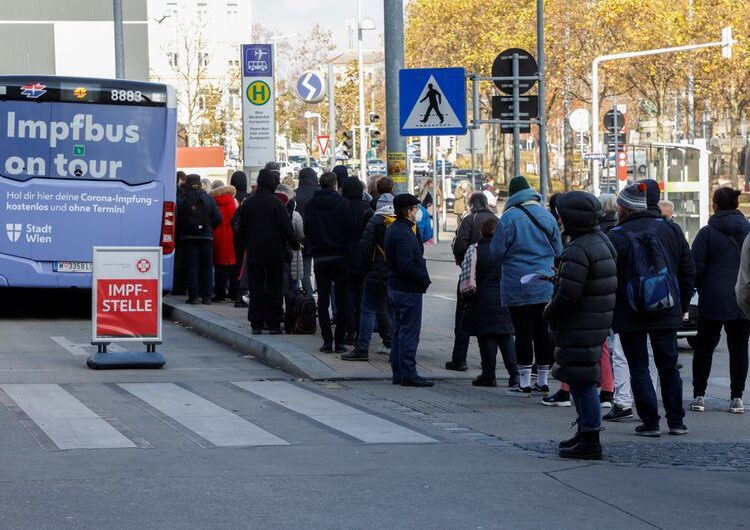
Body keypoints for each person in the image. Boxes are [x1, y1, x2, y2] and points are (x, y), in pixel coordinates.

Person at [608, 182, 696, 436]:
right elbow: (688, 269)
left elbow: (610, 277)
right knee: (668, 366)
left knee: (639, 367)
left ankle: (650, 422)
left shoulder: (617, 235)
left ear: (624, 208)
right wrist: (681, 305)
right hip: (666, 308)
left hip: (630, 311)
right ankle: (676, 421)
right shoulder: (671, 230)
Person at [543, 192, 617, 459]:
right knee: (580, 380)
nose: (559, 219)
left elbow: (569, 295)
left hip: (580, 323)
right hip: (593, 320)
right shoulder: (599, 241)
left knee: (582, 382)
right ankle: (586, 430)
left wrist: (550, 311)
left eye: (561, 214)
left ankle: (590, 438)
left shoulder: (578, 248)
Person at [491, 176, 562, 396]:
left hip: (517, 283)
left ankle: (523, 382)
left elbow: (496, 252)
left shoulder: (509, 217)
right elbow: (559, 250)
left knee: (522, 332)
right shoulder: (546, 215)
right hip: (544, 282)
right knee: (542, 331)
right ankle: (542, 381)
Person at [690, 187, 750, 414]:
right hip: (742, 298)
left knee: (705, 346)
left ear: (715, 205)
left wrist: (694, 290)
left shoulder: (707, 233)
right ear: (736, 205)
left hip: (713, 297)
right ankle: (737, 397)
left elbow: (696, 267)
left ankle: (699, 396)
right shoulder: (748, 231)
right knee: (739, 348)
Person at [237, 168, 299, 334]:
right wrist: (294, 244)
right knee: (274, 289)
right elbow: (286, 227)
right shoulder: (276, 203)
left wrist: (243, 247)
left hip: (254, 252)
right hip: (274, 252)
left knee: (256, 289)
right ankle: (274, 323)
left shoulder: (249, 203)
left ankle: (256, 323)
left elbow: (240, 228)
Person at [459, 216, 519, 387]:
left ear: (481, 232)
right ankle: (514, 375)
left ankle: (488, 374)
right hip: (504, 296)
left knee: (486, 337)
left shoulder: (474, 249)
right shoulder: (507, 249)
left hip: (481, 298)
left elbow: (466, 275)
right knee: (506, 336)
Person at [447, 192, 498, 373]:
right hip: (493, 276)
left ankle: (459, 359)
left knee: (463, 317)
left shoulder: (469, 220)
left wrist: (463, 261)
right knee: (492, 322)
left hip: (471, 275)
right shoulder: (495, 219)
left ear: (471, 204)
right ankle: (489, 364)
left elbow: (459, 244)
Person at [385, 193, 433, 387]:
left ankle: (399, 372)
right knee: (408, 332)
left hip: (396, 286)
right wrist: (424, 279)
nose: (418, 212)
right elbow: (406, 264)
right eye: (415, 209)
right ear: (408, 211)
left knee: (399, 331)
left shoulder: (394, 228)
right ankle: (408, 373)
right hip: (407, 289)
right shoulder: (404, 233)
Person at [304, 172, 355, 353]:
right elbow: (351, 230)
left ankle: (327, 341)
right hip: (341, 257)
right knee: (341, 300)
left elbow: (307, 229)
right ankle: (339, 341)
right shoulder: (343, 204)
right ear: (335, 185)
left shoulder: (311, 205)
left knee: (323, 301)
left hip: (320, 257)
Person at [342, 192, 395, 361]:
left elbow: (364, 247)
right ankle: (392, 344)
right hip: (394, 273)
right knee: (387, 309)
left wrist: (366, 268)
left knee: (368, 309)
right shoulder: (402, 222)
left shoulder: (376, 221)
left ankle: (362, 347)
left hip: (374, 272)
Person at [176, 174, 222, 305]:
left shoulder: (182, 199)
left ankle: (193, 296)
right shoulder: (208, 198)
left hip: (188, 238)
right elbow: (218, 218)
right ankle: (206, 296)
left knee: (192, 266)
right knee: (207, 266)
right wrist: (208, 229)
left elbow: (178, 219)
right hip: (206, 237)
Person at [342, 176, 374, 345]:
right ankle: (362, 330)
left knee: (347, 295)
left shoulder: (342, 207)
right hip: (364, 257)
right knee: (363, 295)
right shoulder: (366, 208)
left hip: (345, 256)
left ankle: (350, 330)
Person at [275, 184, 305, 330]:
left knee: (277, 287)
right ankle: (291, 320)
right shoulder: (295, 214)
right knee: (292, 288)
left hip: (276, 254)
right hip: (292, 254)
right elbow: (299, 234)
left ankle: (277, 315)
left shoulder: (272, 209)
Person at [210, 183, 237, 302]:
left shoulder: (213, 201)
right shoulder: (233, 201)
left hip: (217, 236)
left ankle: (219, 293)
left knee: (219, 266)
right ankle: (233, 293)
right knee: (233, 266)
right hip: (231, 236)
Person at [295, 167, 319, 295]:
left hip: (301, 237)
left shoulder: (295, 194)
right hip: (319, 236)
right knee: (321, 269)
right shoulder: (319, 192)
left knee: (305, 269)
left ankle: (309, 295)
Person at [172, 171, 189, 296]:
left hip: (177, 232)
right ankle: (182, 286)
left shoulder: (176, 194)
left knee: (178, 260)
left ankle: (177, 285)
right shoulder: (186, 195)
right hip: (186, 232)